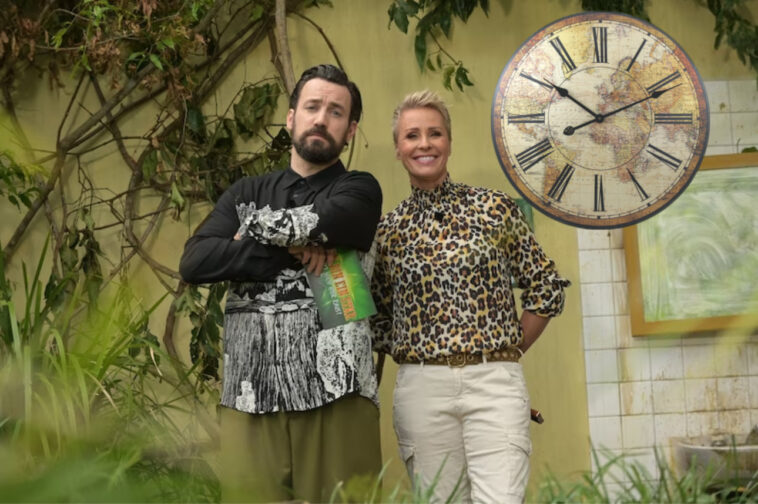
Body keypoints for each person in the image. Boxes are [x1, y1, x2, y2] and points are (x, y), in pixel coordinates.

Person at [179, 64, 383, 503]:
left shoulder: (359, 189)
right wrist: (294, 246)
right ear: (291, 118)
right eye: (312, 107)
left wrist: (250, 230)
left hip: (339, 391)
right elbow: (195, 261)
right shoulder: (245, 191)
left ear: (350, 130)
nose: (321, 119)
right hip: (249, 393)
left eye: (335, 112)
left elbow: (341, 220)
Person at [371, 90, 570, 504]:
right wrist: (418, 348)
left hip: (494, 382)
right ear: (398, 148)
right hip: (422, 390)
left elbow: (546, 287)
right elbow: (376, 319)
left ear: (449, 141)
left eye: (435, 133)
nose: (424, 144)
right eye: (412, 135)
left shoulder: (495, 209)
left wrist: (509, 351)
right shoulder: (388, 232)